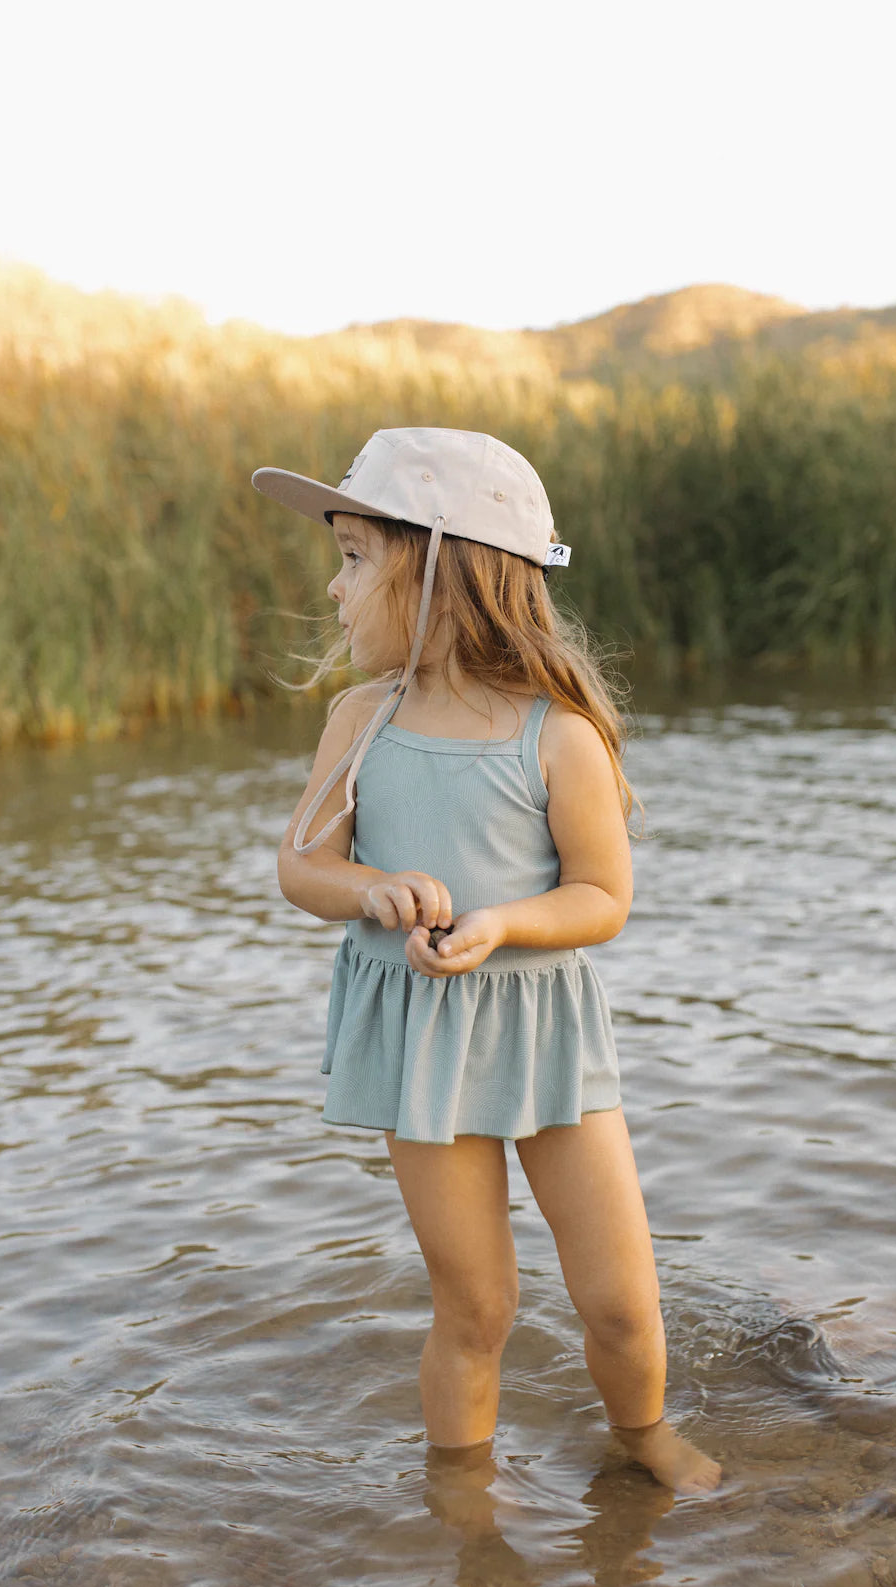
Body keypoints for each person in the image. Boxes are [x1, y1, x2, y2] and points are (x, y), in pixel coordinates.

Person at [254, 428, 721, 1496]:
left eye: (355, 557)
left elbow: (603, 896)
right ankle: (460, 1500)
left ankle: (642, 1433)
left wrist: (503, 923)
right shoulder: (360, 720)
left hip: (545, 1031)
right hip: (424, 1034)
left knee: (618, 1294)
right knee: (476, 1304)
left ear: (440, 573)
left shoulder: (558, 736)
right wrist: (369, 889)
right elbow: (300, 863)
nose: (333, 589)